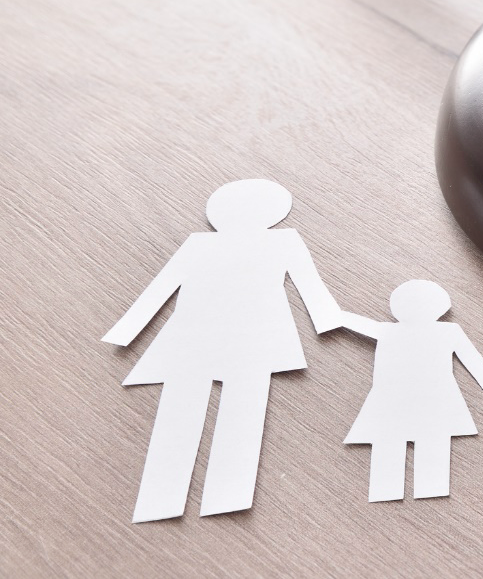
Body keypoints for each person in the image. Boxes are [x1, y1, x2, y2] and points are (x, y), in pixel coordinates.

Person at [102, 179, 341, 522]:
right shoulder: (205, 243)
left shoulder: (279, 241)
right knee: (218, 409)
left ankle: (217, 497)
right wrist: (126, 330)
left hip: (236, 336)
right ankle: (171, 498)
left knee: (232, 409)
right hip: (217, 335)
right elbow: (165, 283)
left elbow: (308, 284)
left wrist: (328, 318)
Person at [342, 279, 483, 502]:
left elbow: (472, 359)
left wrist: (335, 316)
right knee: (419, 442)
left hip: (405, 402)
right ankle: (398, 489)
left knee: (403, 443)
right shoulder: (397, 330)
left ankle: (400, 489)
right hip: (426, 402)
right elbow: (473, 361)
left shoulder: (392, 330)